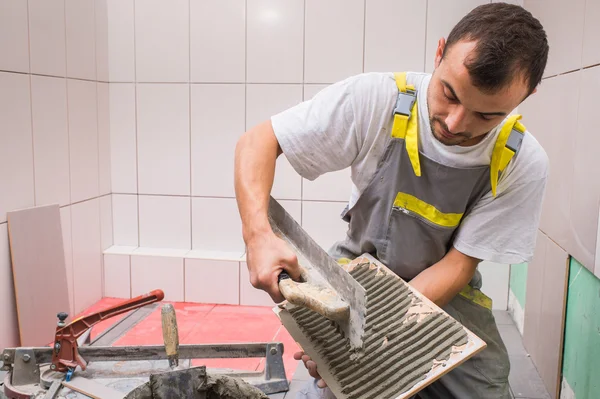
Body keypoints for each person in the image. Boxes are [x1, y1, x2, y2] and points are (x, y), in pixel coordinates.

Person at [234, 3, 549, 398]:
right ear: (439, 53)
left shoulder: (522, 162)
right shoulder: (377, 100)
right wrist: (259, 235)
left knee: (485, 390)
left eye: (485, 116)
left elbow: (458, 264)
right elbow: (258, 142)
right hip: (355, 279)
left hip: (445, 292)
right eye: (448, 93)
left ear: (527, 95)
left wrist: (384, 333)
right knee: (338, 384)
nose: (455, 124)